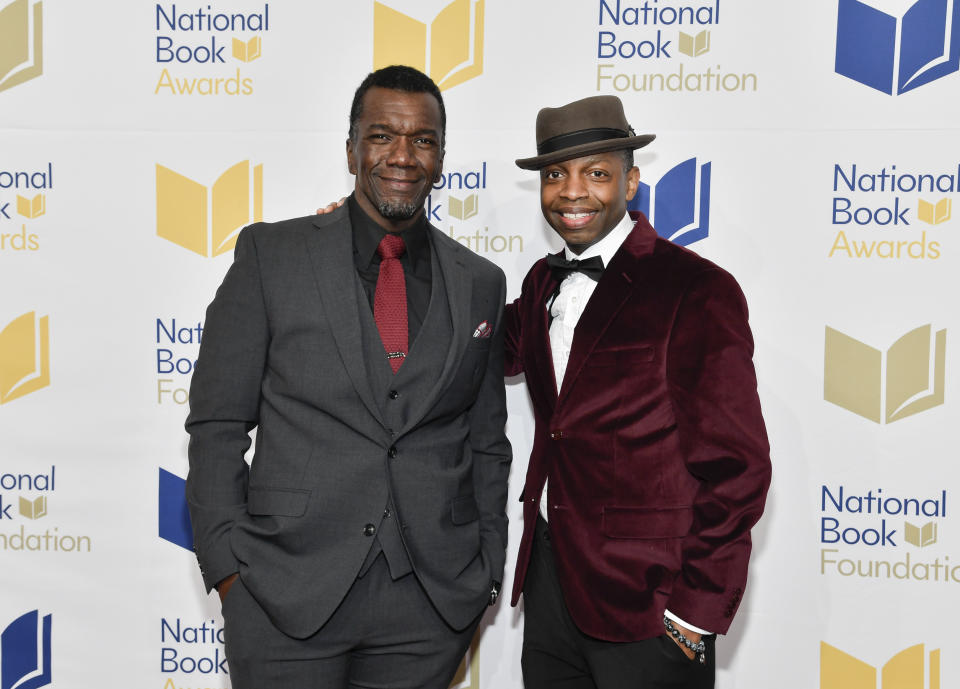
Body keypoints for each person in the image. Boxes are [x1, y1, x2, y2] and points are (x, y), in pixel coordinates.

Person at [185, 65, 511, 689]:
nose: (402, 155)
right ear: (351, 149)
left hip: (429, 603)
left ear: (442, 156)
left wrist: (485, 567)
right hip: (283, 592)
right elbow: (217, 423)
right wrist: (229, 568)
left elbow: (486, 441)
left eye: (422, 139)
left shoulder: (480, 283)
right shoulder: (271, 256)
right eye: (383, 135)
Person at [505, 95, 771, 688]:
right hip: (551, 592)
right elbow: (472, 341)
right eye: (556, 175)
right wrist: (373, 252)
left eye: (596, 173)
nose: (573, 191)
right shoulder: (541, 281)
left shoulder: (695, 289)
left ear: (631, 183)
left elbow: (739, 468)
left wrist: (694, 612)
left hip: (650, 606)